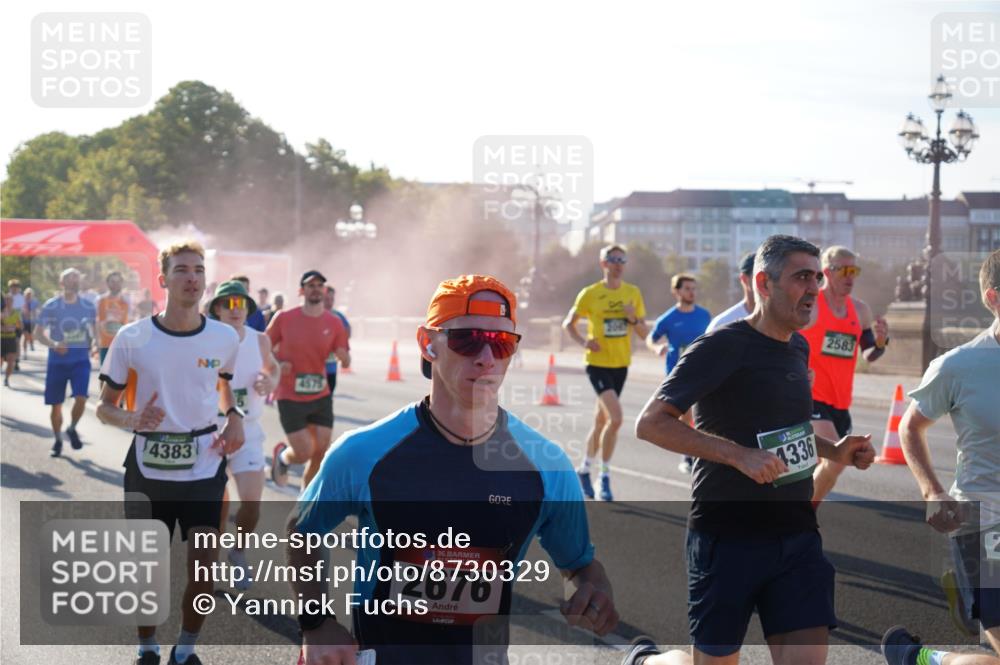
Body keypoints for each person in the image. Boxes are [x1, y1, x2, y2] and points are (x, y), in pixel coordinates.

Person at [288, 274, 618, 665]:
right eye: (467, 340)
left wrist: (592, 592)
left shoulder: (547, 466)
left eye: (502, 343)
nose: (486, 358)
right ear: (428, 343)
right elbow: (303, 530)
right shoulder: (364, 452)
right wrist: (316, 622)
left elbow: (580, 566)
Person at [629, 235, 876, 665]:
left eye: (817, 278)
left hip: (797, 537)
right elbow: (650, 423)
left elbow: (788, 430)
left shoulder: (798, 347)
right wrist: (739, 455)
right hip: (728, 537)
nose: (814, 289)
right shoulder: (721, 345)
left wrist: (835, 451)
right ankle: (648, 660)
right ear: (764, 283)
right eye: (802, 277)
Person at [96, 241, 245, 665]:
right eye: (181, 270)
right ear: (163, 280)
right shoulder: (132, 337)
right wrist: (132, 418)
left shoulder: (223, 336)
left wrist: (234, 415)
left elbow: (223, 384)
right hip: (149, 469)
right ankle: (147, 646)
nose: (191, 278)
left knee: (203, 570)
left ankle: (185, 649)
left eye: (198, 270)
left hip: (204, 466)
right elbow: (103, 407)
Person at [881, 249, 1000, 665]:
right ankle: (918, 657)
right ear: (993, 298)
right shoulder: (958, 365)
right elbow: (909, 427)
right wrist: (932, 490)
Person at [800, 246, 889, 505]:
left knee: (824, 466)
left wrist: (880, 342)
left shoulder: (860, 310)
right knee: (837, 459)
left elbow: (869, 354)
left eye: (854, 271)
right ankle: (801, 515)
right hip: (811, 398)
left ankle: (803, 511)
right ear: (827, 272)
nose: (850, 277)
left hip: (840, 402)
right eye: (844, 270)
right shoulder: (811, 306)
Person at [207, 280, 281, 589]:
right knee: (216, 506)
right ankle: (210, 560)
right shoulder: (204, 339)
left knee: (252, 505)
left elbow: (274, 368)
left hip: (248, 430)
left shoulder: (259, 340)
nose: (234, 309)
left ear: (248, 308)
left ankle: (237, 552)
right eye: (228, 304)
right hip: (211, 432)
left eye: (240, 303)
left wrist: (270, 381)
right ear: (217, 309)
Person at [563, 244, 649, 502]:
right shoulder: (590, 293)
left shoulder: (632, 293)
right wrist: (584, 342)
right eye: (613, 259)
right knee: (617, 418)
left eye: (622, 260)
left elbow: (644, 333)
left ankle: (583, 469)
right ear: (604, 263)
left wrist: (633, 318)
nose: (618, 264)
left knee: (601, 422)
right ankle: (604, 477)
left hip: (621, 364)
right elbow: (569, 324)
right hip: (597, 364)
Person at [267, 270, 350, 490]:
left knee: (321, 452)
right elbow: (263, 347)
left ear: (325, 290)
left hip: (320, 393)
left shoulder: (334, 323)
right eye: (310, 286)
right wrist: (277, 363)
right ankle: (283, 457)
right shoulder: (284, 318)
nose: (316, 289)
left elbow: (346, 359)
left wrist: (344, 358)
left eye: (319, 286)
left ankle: (306, 500)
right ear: (301, 291)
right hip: (289, 395)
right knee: (304, 452)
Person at [647, 273, 712, 474]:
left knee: (706, 414)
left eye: (694, 289)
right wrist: (656, 348)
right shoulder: (668, 318)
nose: (692, 292)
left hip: (703, 371)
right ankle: (688, 456)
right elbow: (651, 338)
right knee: (687, 415)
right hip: (678, 374)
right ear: (676, 291)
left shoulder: (704, 315)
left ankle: (704, 453)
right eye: (687, 289)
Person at [33, 268, 96, 457]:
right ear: (62, 283)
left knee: (81, 397)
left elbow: (93, 331)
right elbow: (38, 334)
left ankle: (72, 428)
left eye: (76, 278)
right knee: (56, 405)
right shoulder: (51, 306)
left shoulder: (88, 306)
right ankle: (58, 440)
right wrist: (54, 344)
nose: (74, 281)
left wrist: (94, 344)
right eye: (69, 278)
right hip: (58, 362)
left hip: (80, 360)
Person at [706, 252, 757, 332]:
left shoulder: (778, 322)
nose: (766, 281)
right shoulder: (722, 325)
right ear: (744, 279)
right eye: (759, 276)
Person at [96, 271, 131, 365]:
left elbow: (131, 322)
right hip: (105, 344)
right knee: (105, 373)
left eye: (118, 281)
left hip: (122, 345)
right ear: (107, 283)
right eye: (113, 281)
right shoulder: (100, 300)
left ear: (122, 283)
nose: (116, 284)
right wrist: (96, 341)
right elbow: (97, 322)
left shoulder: (127, 301)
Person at [323, 285, 352, 392]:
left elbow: (347, 331)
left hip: (331, 368)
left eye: (332, 299)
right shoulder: (312, 316)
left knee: (328, 397)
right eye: (326, 299)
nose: (329, 302)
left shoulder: (338, 316)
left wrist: (340, 347)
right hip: (313, 370)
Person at [1, 295, 22, 387]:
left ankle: (6, 379)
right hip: (1, 338)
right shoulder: (1, 312)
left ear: (12, 302)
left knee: (11, 361)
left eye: (10, 300)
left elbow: (19, 326)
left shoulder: (16, 313)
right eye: (6, 300)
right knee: (0, 360)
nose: (8, 302)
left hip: (11, 338)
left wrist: (17, 331)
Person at [8, 279, 25, 369]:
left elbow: (24, 311)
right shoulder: (6, 298)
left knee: (17, 342)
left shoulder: (21, 298)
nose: (14, 289)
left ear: (19, 288)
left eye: (16, 287)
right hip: (7, 323)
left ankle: (16, 360)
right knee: (8, 342)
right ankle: (9, 358)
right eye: (12, 287)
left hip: (18, 323)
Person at [21, 287, 38, 354]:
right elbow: (21, 311)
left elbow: (36, 311)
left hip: (32, 322)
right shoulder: (22, 302)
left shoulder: (35, 302)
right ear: (25, 294)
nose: (28, 295)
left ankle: (31, 343)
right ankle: (25, 352)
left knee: (30, 335)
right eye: (27, 294)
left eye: (30, 294)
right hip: (24, 322)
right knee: (25, 336)